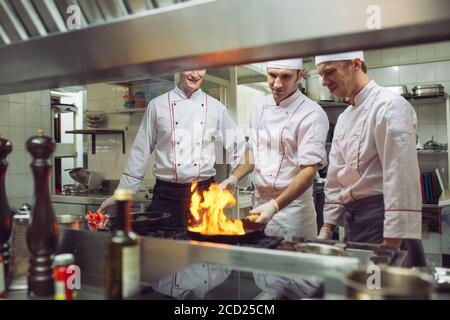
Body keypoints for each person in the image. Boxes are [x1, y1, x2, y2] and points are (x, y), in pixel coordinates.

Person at [315, 51, 426, 266]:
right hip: (355, 224)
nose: (324, 81)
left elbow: (400, 180)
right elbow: (335, 176)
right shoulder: (344, 117)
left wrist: (390, 246)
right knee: (364, 291)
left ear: (356, 64)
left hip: (385, 225)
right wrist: (327, 227)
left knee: (387, 291)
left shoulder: (389, 106)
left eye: (329, 72)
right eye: (320, 75)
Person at [99, 69, 244, 227]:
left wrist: (234, 177)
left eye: (200, 69)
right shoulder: (157, 105)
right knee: (161, 246)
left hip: (204, 196)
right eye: (190, 68)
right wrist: (122, 195)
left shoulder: (216, 108)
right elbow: (140, 152)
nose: (195, 75)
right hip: (166, 196)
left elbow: (240, 145)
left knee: (204, 249)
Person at [220, 59, 329, 240]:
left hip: (292, 212)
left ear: (300, 75)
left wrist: (275, 206)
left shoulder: (312, 113)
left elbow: (309, 170)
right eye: (272, 75)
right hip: (258, 206)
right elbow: (253, 150)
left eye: (286, 77)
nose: (277, 84)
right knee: (260, 265)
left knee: (288, 265)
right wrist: (234, 177)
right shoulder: (259, 106)